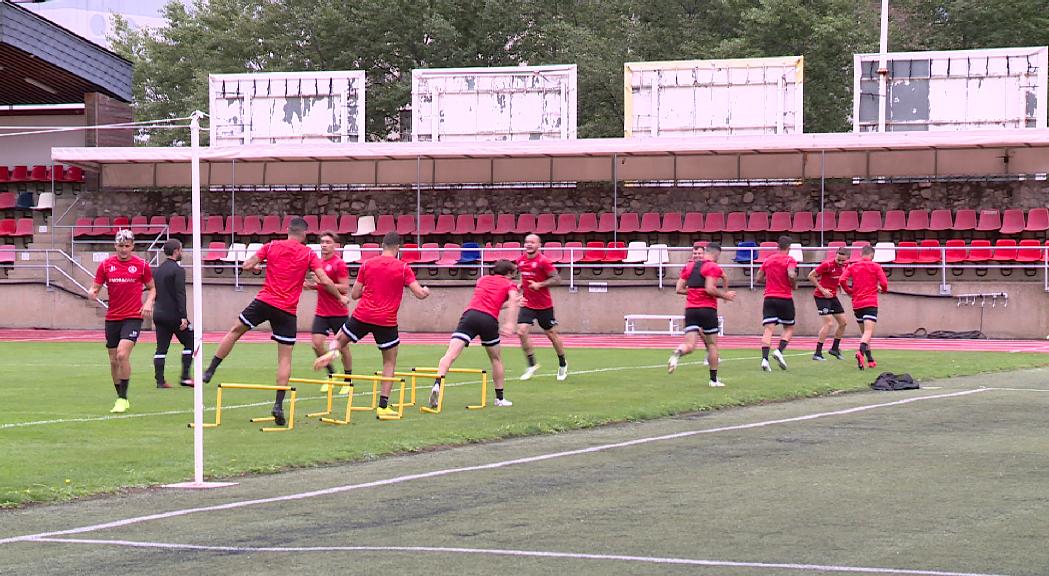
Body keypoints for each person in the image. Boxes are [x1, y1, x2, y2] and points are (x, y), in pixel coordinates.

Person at [203, 217, 347, 426]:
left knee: (235, 331)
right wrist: (340, 297)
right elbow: (324, 280)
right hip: (287, 310)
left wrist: (255, 268)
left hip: (265, 300)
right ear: (304, 234)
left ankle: (211, 369)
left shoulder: (271, 246)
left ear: (287, 230)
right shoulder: (308, 253)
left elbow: (246, 265)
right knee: (284, 358)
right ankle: (278, 404)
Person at [313, 232, 430, 419]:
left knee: (338, 340)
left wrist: (372, 288)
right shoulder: (403, 268)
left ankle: (333, 352)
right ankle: (383, 406)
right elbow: (419, 294)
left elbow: (355, 294)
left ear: (382, 246)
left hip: (363, 314)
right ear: (397, 248)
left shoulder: (367, 264)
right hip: (386, 320)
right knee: (389, 361)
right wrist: (425, 290)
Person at [428, 259, 521, 408]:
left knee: (450, 354)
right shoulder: (510, 284)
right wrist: (510, 321)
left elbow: (492, 301)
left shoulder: (482, 280)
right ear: (509, 273)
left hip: (470, 315)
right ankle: (500, 398)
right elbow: (510, 301)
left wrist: (512, 301)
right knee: (496, 359)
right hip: (489, 319)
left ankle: (437, 384)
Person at [88, 229, 156, 413]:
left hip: (133, 316)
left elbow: (152, 288)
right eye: (120, 246)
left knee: (121, 355)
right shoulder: (105, 265)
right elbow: (95, 286)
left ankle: (123, 398)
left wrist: (149, 303)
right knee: (113, 360)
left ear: (132, 246)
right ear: (115, 246)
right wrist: (92, 292)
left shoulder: (141, 266)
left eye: (127, 246)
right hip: (113, 317)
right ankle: (120, 396)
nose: (124, 250)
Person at [668, 243, 735, 387]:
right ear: (717, 254)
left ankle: (678, 352)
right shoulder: (712, 266)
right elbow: (710, 289)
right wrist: (725, 295)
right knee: (712, 345)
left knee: (690, 345)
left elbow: (679, 289)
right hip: (707, 310)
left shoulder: (689, 266)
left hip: (690, 310)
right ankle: (713, 380)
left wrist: (693, 292)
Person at [304, 231, 352, 390]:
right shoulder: (317, 263)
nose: (324, 245)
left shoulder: (339, 264)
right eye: (322, 242)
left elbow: (345, 287)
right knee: (316, 344)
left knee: (343, 347)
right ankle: (331, 374)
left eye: (328, 242)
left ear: (335, 245)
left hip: (339, 312)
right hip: (322, 312)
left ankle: (347, 380)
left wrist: (323, 283)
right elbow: (321, 285)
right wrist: (310, 285)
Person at [515, 233, 568, 381]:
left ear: (538, 245)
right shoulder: (520, 260)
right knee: (521, 331)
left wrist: (540, 284)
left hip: (544, 305)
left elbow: (557, 279)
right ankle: (532, 364)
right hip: (528, 303)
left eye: (532, 242)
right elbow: (523, 276)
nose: (529, 244)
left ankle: (563, 363)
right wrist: (521, 284)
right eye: (526, 242)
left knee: (551, 335)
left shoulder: (543, 261)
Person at [152, 239, 194, 388]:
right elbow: (180, 294)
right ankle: (185, 377)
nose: (181, 252)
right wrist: (183, 316)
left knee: (161, 348)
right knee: (191, 341)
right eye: (181, 249)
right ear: (176, 251)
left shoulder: (157, 270)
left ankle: (160, 381)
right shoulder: (178, 270)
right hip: (174, 315)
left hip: (158, 314)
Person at [839, 244, 889, 370]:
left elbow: (841, 280)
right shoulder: (875, 266)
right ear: (872, 255)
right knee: (868, 332)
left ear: (862, 254)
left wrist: (849, 291)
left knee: (864, 333)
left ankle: (870, 359)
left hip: (857, 303)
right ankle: (860, 352)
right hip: (870, 302)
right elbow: (883, 283)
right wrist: (883, 290)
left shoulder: (853, 266)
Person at [756, 235, 798, 371]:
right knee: (789, 328)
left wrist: (769, 282)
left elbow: (758, 278)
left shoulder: (768, 260)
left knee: (768, 329)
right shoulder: (789, 260)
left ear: (777, 246)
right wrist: (793, 284)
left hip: (769, 297)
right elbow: (791, 274)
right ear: (789, 248)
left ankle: (764, 359)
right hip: (784, 297)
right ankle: (779, 351)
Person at [807, 247, 850, 361]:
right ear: (835, 255)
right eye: (838, 259)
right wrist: (822, 289)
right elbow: (811, 275)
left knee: (843, 322)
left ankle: (834, 349)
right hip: (821, 296)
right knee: (829, 323)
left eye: (842, 260)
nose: (840, 262)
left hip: (832, 296)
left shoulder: (846, 266)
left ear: (847, 259)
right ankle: (817, 353)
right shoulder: (827, 265)